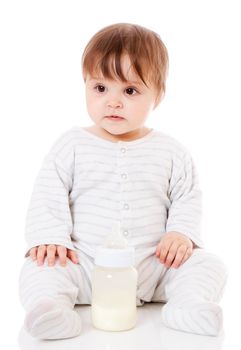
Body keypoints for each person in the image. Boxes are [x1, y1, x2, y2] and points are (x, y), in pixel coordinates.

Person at [19, 23, 227, 340]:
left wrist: (180, 233)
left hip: (154, 266)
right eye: (100, 88)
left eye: (130, 91)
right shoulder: (71, 144)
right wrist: (50, 237)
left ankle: (188, 305)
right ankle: (53, 311)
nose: (113, 102)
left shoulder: (171, 151)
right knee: (39, 267)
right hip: (87, 266)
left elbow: (187, 196)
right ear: (85, 85)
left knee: (208, 264)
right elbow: (49, 193)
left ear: (157, 94)